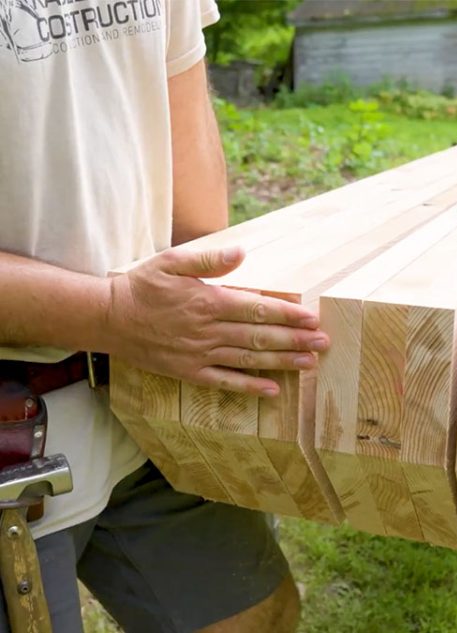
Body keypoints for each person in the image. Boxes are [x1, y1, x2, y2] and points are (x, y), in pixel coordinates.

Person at [0, 1, 326, 631]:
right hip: (18, 428)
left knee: (257, 614)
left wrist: (205, 301)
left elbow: (196, 196)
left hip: (148, 401)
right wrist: (112, 312)